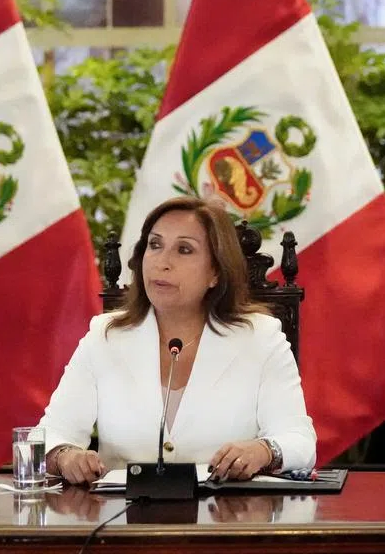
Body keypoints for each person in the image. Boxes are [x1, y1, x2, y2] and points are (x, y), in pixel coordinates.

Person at [36, 196, 317, 485]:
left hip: (226, 520)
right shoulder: (106, 335)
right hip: (123, 521)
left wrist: (263, 451)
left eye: (184, 250)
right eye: (154, 245)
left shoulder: (261, 337)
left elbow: (300, 441)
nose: (162, 262)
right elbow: (46, 437)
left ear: (215, 272)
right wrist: (65, 455)